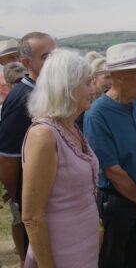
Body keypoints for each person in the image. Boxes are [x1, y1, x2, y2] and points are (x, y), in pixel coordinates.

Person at [84, 42, 136, 268]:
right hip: (118, 203)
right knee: (113, 260)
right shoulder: (97, 114)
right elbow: (112, 171)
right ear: (118, 76)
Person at [22, 49, 99, 267]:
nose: (93, 89)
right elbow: (32, 217)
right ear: (66, 88)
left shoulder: (70, 126)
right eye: (87, 83)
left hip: (83, 246)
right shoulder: (44, 136)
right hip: (60, 253)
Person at [0, 32, 56, 266]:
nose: (54, 62)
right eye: (46, 57)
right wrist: (17, 195)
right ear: (26, 63)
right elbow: (7, 159)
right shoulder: (21, 97)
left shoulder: (47, 91)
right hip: (33, 203)